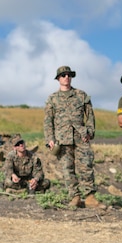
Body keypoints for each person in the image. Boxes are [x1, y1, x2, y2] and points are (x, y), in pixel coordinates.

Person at [44, 65, 102, 209]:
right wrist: (50, 139)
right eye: (63, 75)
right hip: (62, 139)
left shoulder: (81, 95)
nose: (66, 77)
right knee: (67, 169)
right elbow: (47, 121)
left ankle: (90, 198)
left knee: (86, 166)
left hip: (80, 136)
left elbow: (90, 116)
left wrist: (89, 131)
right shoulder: (52, 99)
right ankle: (74, 197)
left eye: (69, 75)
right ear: (58, 79)